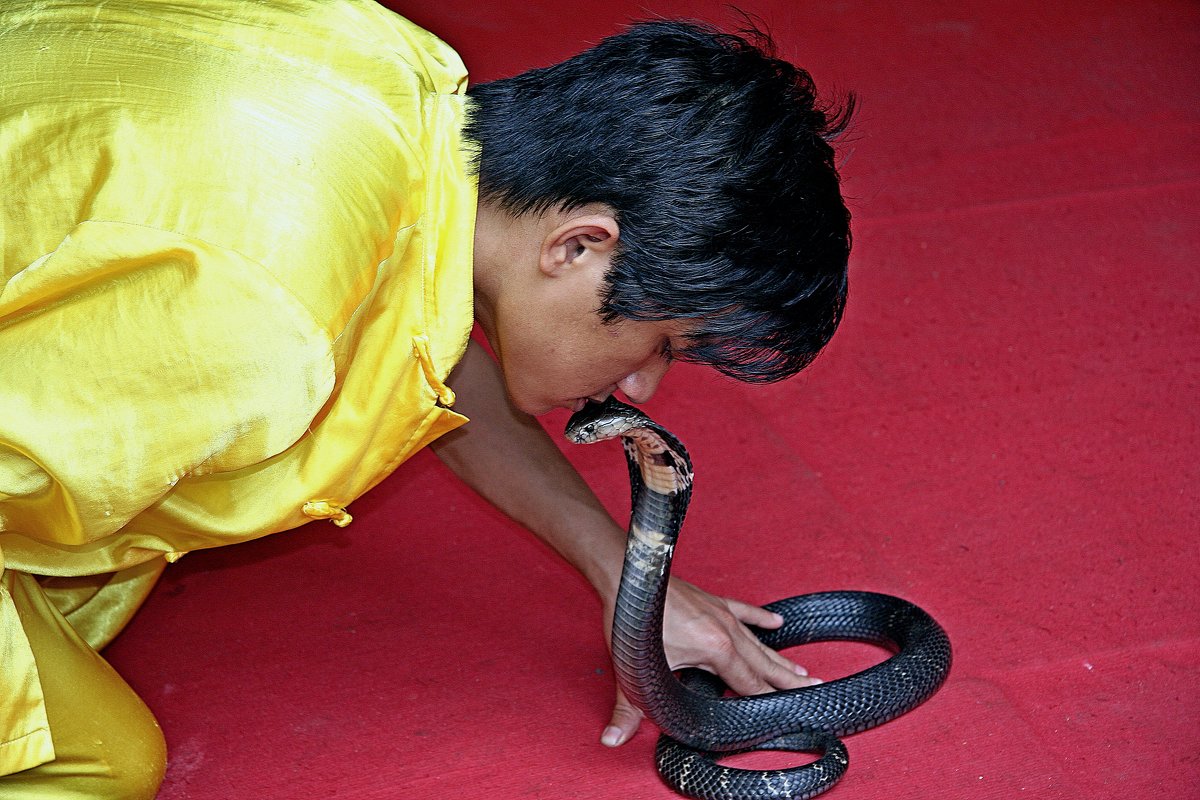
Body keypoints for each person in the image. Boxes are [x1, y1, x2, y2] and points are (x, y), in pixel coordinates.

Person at [0, 0, 852, 796]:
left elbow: (424, 359)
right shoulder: (267, 318)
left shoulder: (402, 77)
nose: (639, 387)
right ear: (580, 245)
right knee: (95, 760)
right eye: (662, 345)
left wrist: (623, 576)